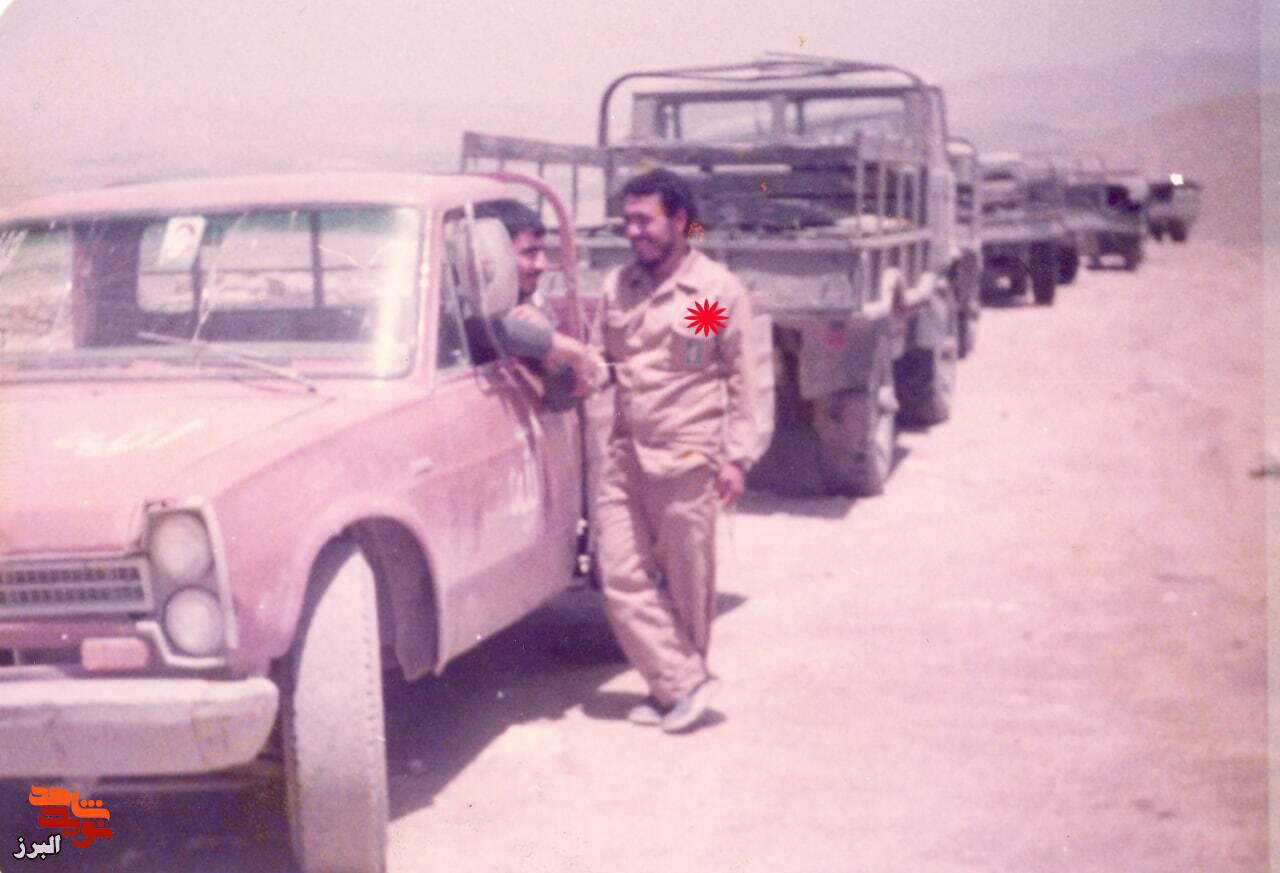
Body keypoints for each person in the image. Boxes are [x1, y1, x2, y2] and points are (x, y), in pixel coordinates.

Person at [589, 168, 760, 733]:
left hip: (686, 455)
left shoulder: (708, 293)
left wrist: (736, 456)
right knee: (619, 575)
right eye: (628, 220)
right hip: (624, 455)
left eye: (645, 220)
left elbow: (740, 377)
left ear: (680, 220)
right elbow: (599, 360)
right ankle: (684, 681)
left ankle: (673, 689)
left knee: (688, 582)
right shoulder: (618, 287)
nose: (633, 231)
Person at [465, 200, 598, 403]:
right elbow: (481, 328)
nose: (542, 264)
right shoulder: (457, 301)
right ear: (489, 256)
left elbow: (563, 400)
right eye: (529, 253)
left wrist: (551, 353)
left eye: (542, 252)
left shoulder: (528, 300)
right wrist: (565, 347)